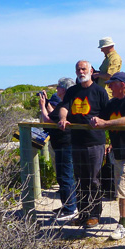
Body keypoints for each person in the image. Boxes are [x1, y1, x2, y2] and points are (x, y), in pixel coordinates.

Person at [90, 72, 125, 240]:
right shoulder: (112, 103)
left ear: (122, 84)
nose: (109, 87)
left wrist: (105, 123)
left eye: (112, 84)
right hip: (118, 152)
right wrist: (94, 120)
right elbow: (101, 117)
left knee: (123, 190)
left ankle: (122, 225)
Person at [58, 60, 108, 228]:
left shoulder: (100, 91)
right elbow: (64, 107)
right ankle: (83, 213)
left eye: (84, 68)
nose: (81, 71)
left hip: (95, 141)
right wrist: (63, 118)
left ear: (91, 70)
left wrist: (101, 121)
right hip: (77, 141)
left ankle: (94, 215)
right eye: (78, 69)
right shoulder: (72, 91)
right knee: (80, 180)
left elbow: (106, 114)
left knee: (94, 179)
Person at [39, 77, 78, 220]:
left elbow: (49, 120)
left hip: (65, 145)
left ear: (65, 89)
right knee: (63, 176)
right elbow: (54, 115)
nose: (57, 89)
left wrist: (42, 106)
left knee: (66, 176)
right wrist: (48, 103)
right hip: (62, 144)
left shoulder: (67, 104)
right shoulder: (64, 103)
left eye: (59, 86)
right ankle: (67, 205)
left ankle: (70, 209)